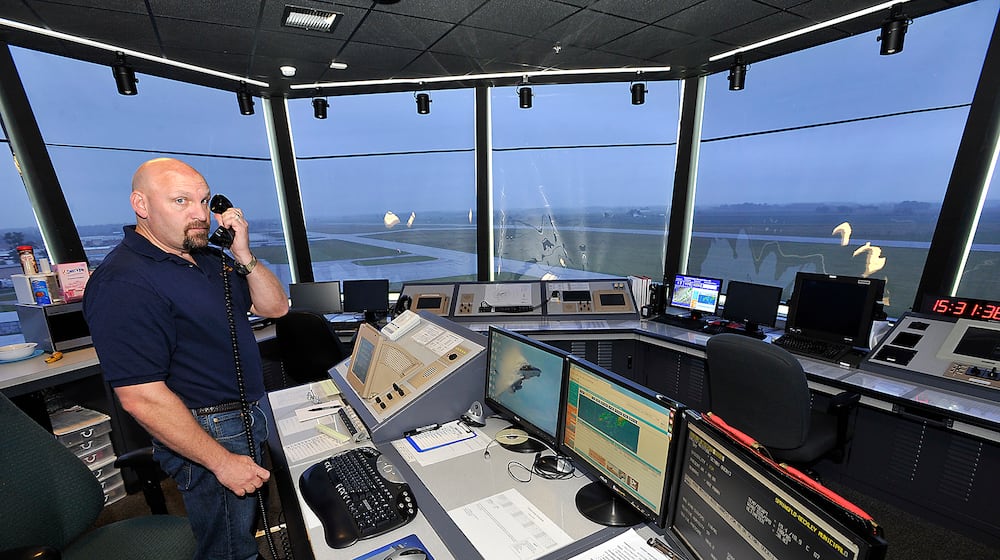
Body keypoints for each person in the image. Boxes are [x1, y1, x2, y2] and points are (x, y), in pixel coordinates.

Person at [83, 158, 289, 560]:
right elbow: (140, 396)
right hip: (206, 431)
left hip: (246, 413)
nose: (199, 215)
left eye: (203, 200)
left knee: (242, 529)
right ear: (141, 205)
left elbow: (276, 307)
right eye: (181, 201)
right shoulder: (124, 282)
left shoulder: (210, 257)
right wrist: (222, 462)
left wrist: (243, 253)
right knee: (228, 547)